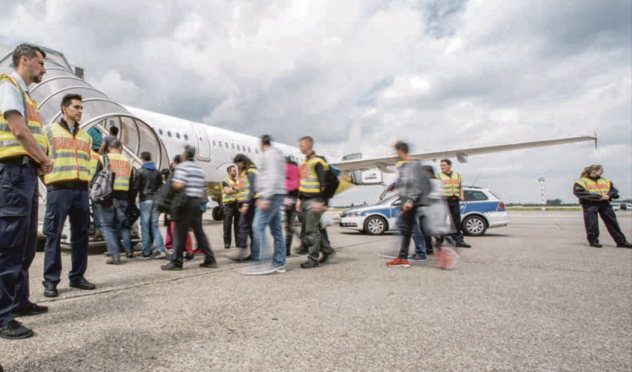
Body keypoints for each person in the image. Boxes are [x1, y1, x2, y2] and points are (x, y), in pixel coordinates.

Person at [0, 44, 52, 340]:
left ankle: (18, 301)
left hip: (26, 174)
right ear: (25, 60)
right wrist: (43, 159)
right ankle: (2, 315)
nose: (44, 69)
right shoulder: (9, 87)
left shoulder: (26, 96)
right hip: (12, 175)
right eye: (41, 63)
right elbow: (19, 131)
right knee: (9, 246)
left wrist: (38, 162)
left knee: (26, 243)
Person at [41, 94, 97, 298]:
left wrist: (87, 183)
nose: (80, 111)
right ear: (64, 109)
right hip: (59, 189)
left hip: (81, 190)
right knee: (53, 235)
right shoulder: (49, 131)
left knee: (81, 235)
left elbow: (89, 163)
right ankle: (50, 281)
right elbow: (40, 156)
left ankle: (77, 276)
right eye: (76, 107)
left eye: (81, 107)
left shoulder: (86, 137)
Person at [161, 145, 217, 270]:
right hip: (197, 203)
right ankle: (210, 258)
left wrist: (172, 187)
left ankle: (176, 262)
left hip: (185, 203)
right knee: (199, 233)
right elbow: (203, 186)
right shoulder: (199, 169)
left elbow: (179, 184)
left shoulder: (183, 166)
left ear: (184, 156)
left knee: (179, 232)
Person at [386, 141, 430, 267]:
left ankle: (411, 255)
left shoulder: (414, 164)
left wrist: (410, 201)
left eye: (395, 151)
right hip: (405, 200)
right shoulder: (406, 165)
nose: (395, 154)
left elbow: (417, 185)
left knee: (408, 228)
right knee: (406, 229)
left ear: (400, 151)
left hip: (410, 202)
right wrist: (393, 186)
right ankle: (403, 257)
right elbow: (404, 182)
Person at [93, 140, 136, 264]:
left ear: (109, 149)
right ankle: (116, 254)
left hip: (107, 197)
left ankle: (114, 255)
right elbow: (132, 184)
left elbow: (97, 178)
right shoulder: (128, 162)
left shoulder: (103, 159)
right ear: (121, 148)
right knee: (117, 227)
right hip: (123, 198)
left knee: (107, 226)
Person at [297, 136, 335, 269]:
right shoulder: (306, 162)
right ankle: (327, 249)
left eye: (302, 145)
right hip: (305, 200)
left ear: (309, 145)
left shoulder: (318, 162)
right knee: (314, 228)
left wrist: (322, 201)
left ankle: (313, 259)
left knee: (311, 231)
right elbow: (303, 183)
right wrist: (299, 199)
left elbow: (324, 184)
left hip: (314, 200)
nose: (300, 147)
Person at [250, 135, 287, 272]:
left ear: (262, 144)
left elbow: (271, 176)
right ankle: (279, 263)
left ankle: (263, 262)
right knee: (276, 231)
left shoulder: (269, 155)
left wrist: (265, 197)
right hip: (275, 194)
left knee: (257, 227)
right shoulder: (276, 155)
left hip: (271, 195)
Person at [573, 165, 632, 248]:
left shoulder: (606, 181)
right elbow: (579, 193)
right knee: (592, 224)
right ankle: (593, 241)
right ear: (594, 171)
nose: (602, 172)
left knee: (612, 222)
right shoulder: (581, 182)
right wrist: (598, 197)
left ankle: (621, 241)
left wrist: (609, 195)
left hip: (604, 203)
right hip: (590, 204)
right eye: (601, 170)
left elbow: (614, 191)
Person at [136, 151, 167, 259]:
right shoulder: (157, 172)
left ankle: (146, 252)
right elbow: (161, 187)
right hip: (156, 201)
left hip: (145, 200)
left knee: (145, 227)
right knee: (154, 226)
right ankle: (161, 250)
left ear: (142, 159)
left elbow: (136, 187)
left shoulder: (141, 171)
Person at [435, 159, 471, 248]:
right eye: (441, 165)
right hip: (443, 201)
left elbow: (460, 186)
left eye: (443, 165)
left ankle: (459, 240)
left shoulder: (457, 175)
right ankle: (439, 241)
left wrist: (462, 196)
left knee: (456, 222)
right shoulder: (438, 176)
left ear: (449, 165)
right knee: (441, 221)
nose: (441, 167)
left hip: (454, 200)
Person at [230, 154, 259, 261]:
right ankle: (254, 254)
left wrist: (246, 204)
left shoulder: (251, 171)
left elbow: (253, 189)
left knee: (243, 226)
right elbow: (243, 187)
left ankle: (240, 252)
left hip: (250, 203)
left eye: (238, 164)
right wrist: (233, 188)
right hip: (244, 202)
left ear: (243, 162)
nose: (237, 166)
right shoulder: (243, 173)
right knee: (250, 229)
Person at [284, 156, 300, 256]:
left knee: (289, 228)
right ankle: (287, 250)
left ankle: (286, 250)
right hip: (289, 204)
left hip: (293, 204)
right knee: (289, 227)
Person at [221, 165, 240, 249]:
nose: (235, 172)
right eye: (233, 171)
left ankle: (238, 242)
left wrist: (232, 188)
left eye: (235, 171)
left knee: (238, 225)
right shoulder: (224, 181)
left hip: (237, 204)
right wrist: (236, 188)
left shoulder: (238, 180)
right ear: (229, 172)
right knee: (227, 225)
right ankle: (227, 243)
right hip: (229, 205)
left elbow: (241, 189)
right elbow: (227, 191)